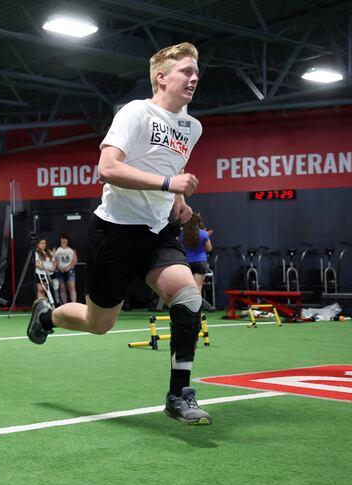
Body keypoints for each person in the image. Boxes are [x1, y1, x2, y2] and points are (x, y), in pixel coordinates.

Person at [27, 42, 211, 425]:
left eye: (196, 72)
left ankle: (180, 395)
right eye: (186, 72)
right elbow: (107, 169)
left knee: (188, 299)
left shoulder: (191, 127)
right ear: (162, 77)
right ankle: (47, 316)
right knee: (100, 323)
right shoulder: (136, 113)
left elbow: (169, 168)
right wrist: (167, 183)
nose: (194, 78)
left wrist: (177, 198)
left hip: (159, 233)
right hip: (115, 231)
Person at [180, 213, 215, 311]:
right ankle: (195, 310)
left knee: (186, 288)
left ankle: (187, 308)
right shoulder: (203, 234)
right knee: (197, 288)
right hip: (200, 262)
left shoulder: (182, 234)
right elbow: (209, 249)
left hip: (186, 263)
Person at [54, 234, 78, 304]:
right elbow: (53, 259)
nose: (64, 240)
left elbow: (75, 260)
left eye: (65, 239)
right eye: (62, 239)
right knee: (62, 287)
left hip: (70, 270)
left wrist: (69, 267)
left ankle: (74, 303)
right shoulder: (56, 249)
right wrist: (59, 267)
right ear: (60, 240)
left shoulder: (71, 249)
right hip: (59, 271)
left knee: (71, 287)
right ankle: (64, 304)